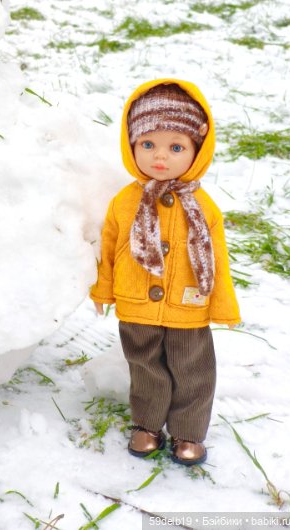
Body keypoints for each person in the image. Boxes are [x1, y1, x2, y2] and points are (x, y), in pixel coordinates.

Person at [90, 78, 241, 466]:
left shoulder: (203, 208)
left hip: (189, 307)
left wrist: (223, 306)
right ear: (131, 145)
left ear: (197, 150)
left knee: (193, 371)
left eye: (176, 147)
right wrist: (103, 292)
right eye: (148, 144)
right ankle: (147, 425)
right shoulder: (125, 203)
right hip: (136, 303)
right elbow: (109, 249)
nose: (161, 157)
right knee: (146, 370)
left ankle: (189, 432)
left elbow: (217, 260)